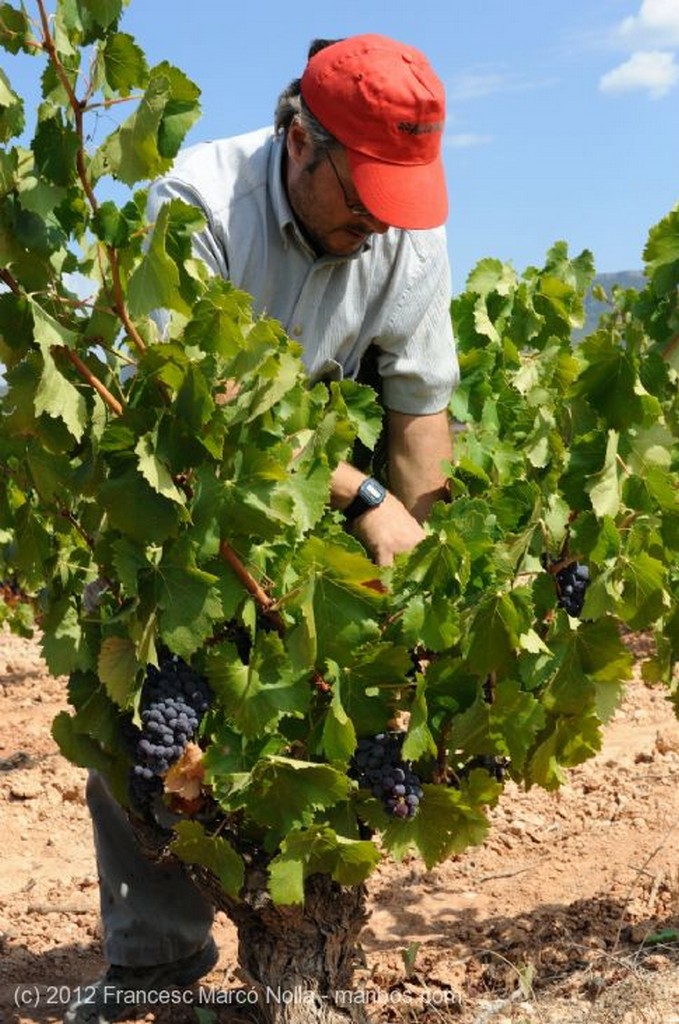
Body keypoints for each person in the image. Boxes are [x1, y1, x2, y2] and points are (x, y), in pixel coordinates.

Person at [66, 32, 459, 1024]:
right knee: (132, 655)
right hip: (186, 479)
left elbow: (418, 418)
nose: (379, 221)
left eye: (397, 197)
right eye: (362, 192)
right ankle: (153, 959)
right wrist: (362, 502)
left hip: (314, 485)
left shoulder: (403, 222)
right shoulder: (196, 204)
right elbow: (196, 418)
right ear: (301, 140)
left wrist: (411, 592)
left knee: (348, 683)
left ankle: (309, 933)